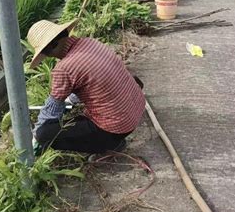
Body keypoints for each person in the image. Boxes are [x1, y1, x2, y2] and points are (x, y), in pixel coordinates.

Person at [27, 19, 146, 154]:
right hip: (135, 111)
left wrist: (36, 135)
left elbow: (51, 112)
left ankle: (111, 145)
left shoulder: (64, 68)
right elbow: (93, 81)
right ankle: (112, 138)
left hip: (115, 129)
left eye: (45, 53)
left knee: (45, 134)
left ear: (50, 48)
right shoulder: (89, 43)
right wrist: (70, 100)